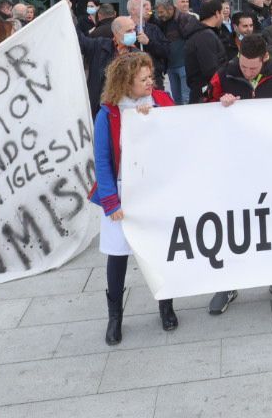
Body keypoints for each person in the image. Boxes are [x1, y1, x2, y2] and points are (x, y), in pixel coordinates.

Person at [204, 36, 272, 313]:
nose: (247, 73)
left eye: (252, 68)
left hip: (270, 160)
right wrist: (217, 102)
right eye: (244, 67)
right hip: (233, 161)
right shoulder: (225, 73)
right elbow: (202, 107)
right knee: (233, 220)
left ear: (264, 59)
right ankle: (227, 283)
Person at [89, 52, 177, 345]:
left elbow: (180, 132)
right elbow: (102, 160)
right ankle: (115, 316)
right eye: (144, 79)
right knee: (118, 255)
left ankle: (166, 305)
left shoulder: (162, 102)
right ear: (126, 83)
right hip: (124, 191)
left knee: (160, 250)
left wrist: (155, 121)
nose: (151, 82)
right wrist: (111, 201)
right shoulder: (109, 113)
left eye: (151, 76)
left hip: (156, 189)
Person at [183, 0, 228, 103]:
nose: (223, 17)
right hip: (205, 96)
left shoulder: (203, 33)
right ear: (217, 13)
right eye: (222, 13)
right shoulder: (205, 36)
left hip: (204, 93)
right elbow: (211, 70)